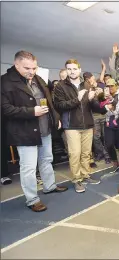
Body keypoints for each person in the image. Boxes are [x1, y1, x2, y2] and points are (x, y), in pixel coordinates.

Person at [1, 51, 68, 211]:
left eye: (34, 68)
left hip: (44, 128)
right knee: (29, 167)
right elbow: (5, 109)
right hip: (24, 131)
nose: (31, 71)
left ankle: (50, 186)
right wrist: (31, 112)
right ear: (16, 64)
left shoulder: (38, 78)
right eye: (27, 68)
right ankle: (32, 199)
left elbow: (49, 100)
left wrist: (55, 118)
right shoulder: (5, 82)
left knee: (47, 159)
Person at [53, 59, 107, 193]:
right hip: (71, 125)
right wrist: (77, 99)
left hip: (87, 124)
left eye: (74, 69)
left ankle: (85, 175)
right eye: (69, 69)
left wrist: (96, 99)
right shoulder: (60, 86)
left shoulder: (86, 85)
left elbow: (95, 106)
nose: (72, 71)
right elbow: (59, 105)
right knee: (75, 153)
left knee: (86, 153)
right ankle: (77, 179)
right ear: (66, 70)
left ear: (79, 70)